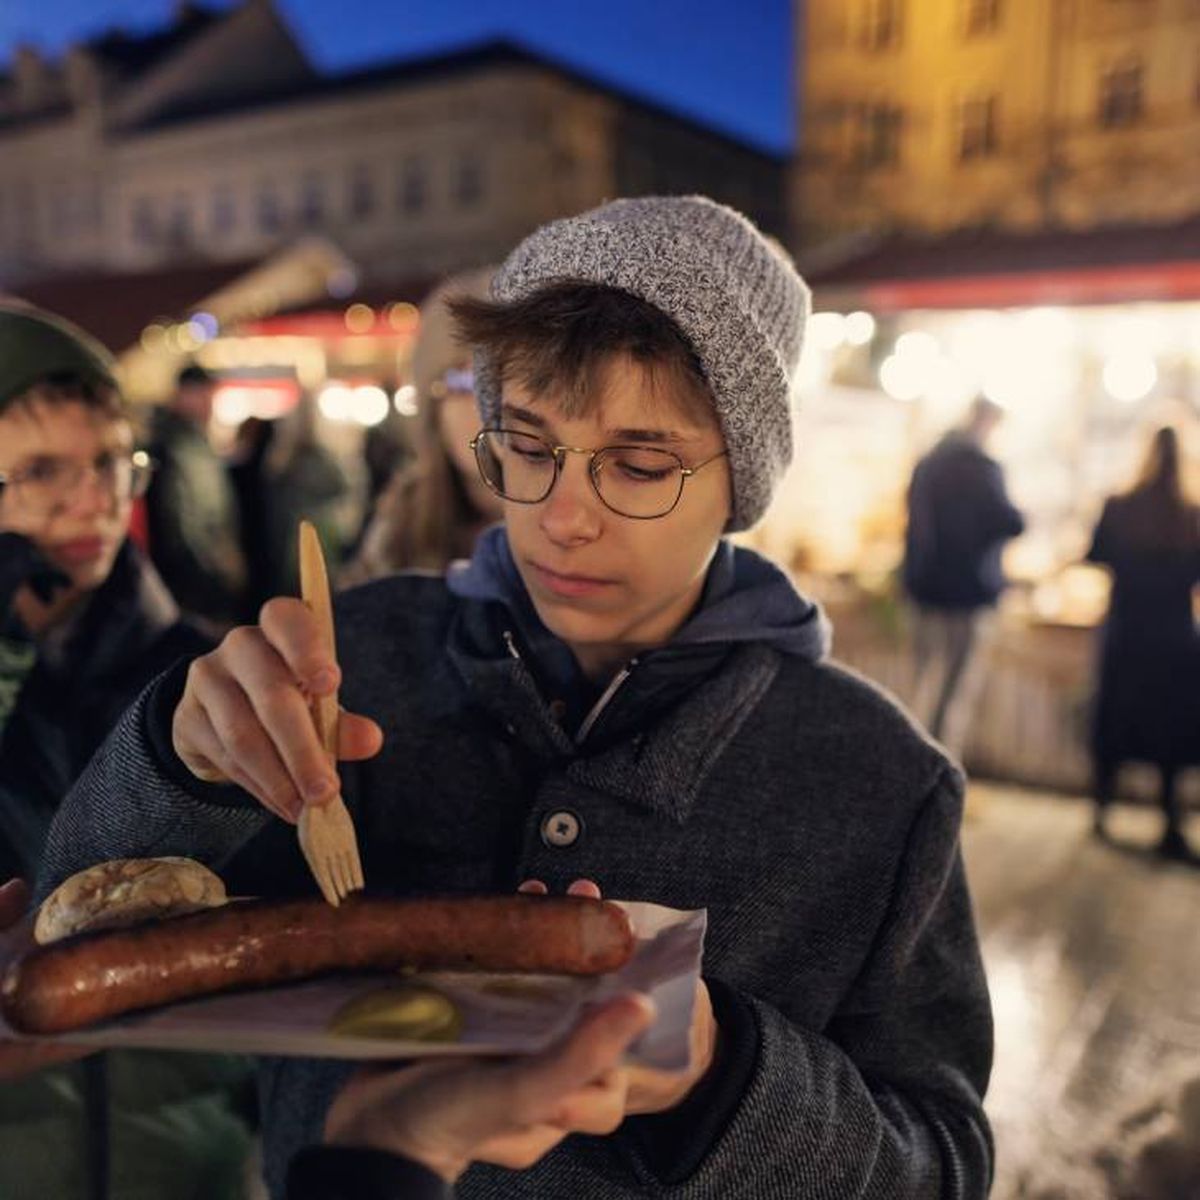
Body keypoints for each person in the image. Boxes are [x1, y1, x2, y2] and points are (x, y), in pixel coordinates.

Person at [40, 197, 994, 1198]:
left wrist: (721, 1073)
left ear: (741, 482)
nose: (560, 517)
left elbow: (945, 1165)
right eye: (528, 448)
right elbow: (71, 920)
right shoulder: (353, 654)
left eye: (639, 465)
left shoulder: (880, 780)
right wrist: (175, 762)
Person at [0, 302, 256, 1200]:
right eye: (38, 472)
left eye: (111, 461)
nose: (93, 499)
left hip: (191, 1152)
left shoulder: (195, 668)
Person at [342, 268, 503, 584]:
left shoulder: (580, 523)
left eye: (503, 379)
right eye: (465, 381)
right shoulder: (398, 528)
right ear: (433, 411)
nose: (490, 404)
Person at [1086, 426, 1200, 859]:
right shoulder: (1191, 513)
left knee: (1116, 720)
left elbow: (1093, 554)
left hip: (1126, 631)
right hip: (1173, 635)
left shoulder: (1119, 505)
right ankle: (1170, 820)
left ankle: (1100, 810)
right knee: (1170, 729)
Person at [903, 393, 1025, 761]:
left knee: (921, 683)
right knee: (951, 695)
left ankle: (910, 761)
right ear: (986, 422)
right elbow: (1011, 522)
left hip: (925, 588)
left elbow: (911, 522)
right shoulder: (984, 468)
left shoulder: (928, 462)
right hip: (967, 593)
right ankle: (937, 770)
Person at [145, 361, 247, 627]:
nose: (209, 404)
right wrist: (212, 578)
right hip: (195, 587)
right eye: (202, 394)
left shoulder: (199, 444)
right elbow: (180, 524)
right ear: (182, 395)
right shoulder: (175, 449)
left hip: (207, 578)